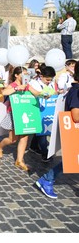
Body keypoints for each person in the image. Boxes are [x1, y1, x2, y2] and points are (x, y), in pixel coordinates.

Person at [35, 61, 79, 199]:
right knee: (72, 159)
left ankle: (47, 179)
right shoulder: (77, 91)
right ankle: (47, 179)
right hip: (75, 130)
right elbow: (76, 115)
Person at [0, 66, 40, 171]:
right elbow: (4, 92)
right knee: (12, 139)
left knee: (24, 137)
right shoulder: (13, 85)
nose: (25, 76)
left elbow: (36, 93)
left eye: (26, 74)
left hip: (25, 113)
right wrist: (16, 88)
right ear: (16, 75)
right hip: (14, 114)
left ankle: (19, 160)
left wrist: (45, 95)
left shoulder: (27, 85)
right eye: (23, 74)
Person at [28, 66, 58, 162]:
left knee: (42, 132)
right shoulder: (34, 83)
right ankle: (45, 154)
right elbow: (35, 93)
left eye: (51, 79)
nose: (49, 81)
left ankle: (33, 147)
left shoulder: (52, 84)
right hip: (37, 111)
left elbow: (55, 93)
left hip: (49, 111)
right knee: (42, 133)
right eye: (47, 79)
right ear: (41, 76)